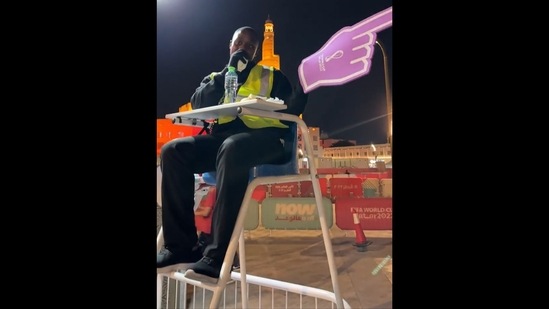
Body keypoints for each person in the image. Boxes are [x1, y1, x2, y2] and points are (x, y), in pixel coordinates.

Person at [157, 26, 308, 283]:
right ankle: (180, 246)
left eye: (250, 46)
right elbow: (198, 103)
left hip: (267, 140)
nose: (244, 48)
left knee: (233, 148)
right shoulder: (216, 76)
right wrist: (228, 72)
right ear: (230, 45)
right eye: (239, 42)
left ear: (256, 51)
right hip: (224, 138)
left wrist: (306, 86)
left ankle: (217, 257)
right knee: (173, 152)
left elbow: (292, 108)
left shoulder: (271, 75)